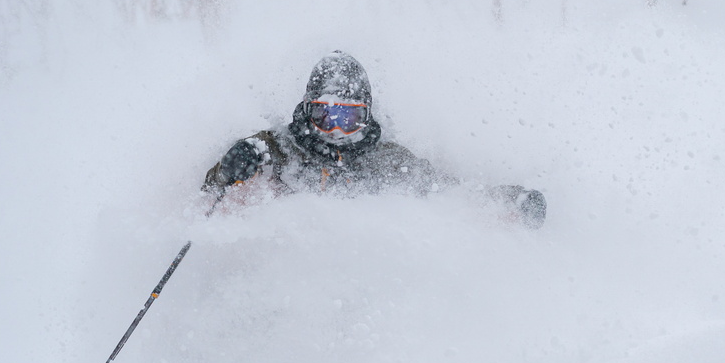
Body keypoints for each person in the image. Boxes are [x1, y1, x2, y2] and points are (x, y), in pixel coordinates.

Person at [202, 51, 547, 228]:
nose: (336, 130)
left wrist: (511, 201)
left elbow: (449, 194)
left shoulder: (386, 161)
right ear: (307, 110)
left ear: (367, 116)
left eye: (349, 118)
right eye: (326, 115)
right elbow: (212, 193)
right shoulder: (275, 150)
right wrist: (229, 168)